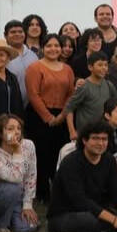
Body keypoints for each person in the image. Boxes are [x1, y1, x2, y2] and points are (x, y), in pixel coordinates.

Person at [47, 120, 117, 232]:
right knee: (91, 221)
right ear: (84, 140)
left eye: (104, 139)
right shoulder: (70, 163)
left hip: (95, 210)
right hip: (65, 214)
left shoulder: (109, 160)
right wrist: (114, 220)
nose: (100, 143)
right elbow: (80, 201)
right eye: (95, 138)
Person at [24, 33, 75, 203]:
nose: (53, 49)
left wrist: (62, 115)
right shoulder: (35, 67)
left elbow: (70, 94)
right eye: (49, 46)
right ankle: (42, 192)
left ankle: (59, 190)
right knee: (41, 154)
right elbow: (33, 95)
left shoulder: (67, 69)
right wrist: (48, 117)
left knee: (58, 153)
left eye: (57, 46)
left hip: (62, 115)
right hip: (38, 116)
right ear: (43, 48)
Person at [0, 114, 39, 232]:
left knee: (27, 227)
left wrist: (27, 204)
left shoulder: (28, 145)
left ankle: (13, 215)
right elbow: (16, 177)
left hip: (17, 195)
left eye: (18, 128)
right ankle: (0, 225)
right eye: (10, 129)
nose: (16, 132)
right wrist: (17, 152)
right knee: (13, 188)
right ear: (0, 133)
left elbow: (31, 175)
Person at [61, 51, 117, 136]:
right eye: (100, 65)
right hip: (86, 133)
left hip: (103, 132)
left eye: (105, 65)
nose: (104, 68)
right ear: (90, 67)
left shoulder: (108, 85)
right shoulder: (84, 86)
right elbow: (69, 108)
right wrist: (72, 131)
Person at [3, 20, 39, 103]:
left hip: (32, 105)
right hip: (9, 104)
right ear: (5, 35)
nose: (17, 34)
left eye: (20, 32)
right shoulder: (2, 56)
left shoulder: (33, 56)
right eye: (13, 32)